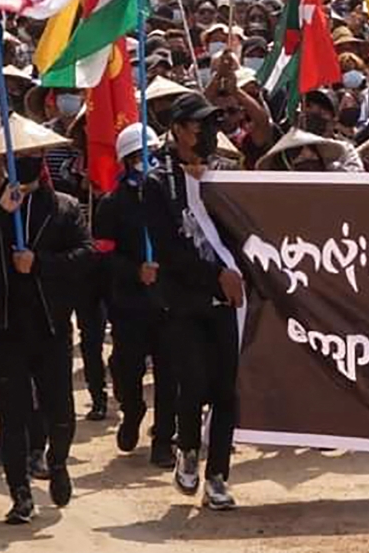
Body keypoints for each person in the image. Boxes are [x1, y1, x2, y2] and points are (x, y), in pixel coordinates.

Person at [0, 114, 92, 524]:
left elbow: (85, 256)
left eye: (33, 155)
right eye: (19, 156)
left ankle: (58, 460)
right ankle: (19, 493)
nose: (27, 162)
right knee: (12, 414)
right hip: (5, 326)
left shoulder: (64, 207)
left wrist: (40, 264)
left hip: (49, 325)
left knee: (60, 410)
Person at [149, 93, 247, 510]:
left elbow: (244, 230)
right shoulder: (158, 183)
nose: (206, 132)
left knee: (226, 391)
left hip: (226, 303)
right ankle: (188, 448)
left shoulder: (225, 176)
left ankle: (218, 476)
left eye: (211, 124)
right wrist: (214, 276)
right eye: (197, 125)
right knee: (192, 384)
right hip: (184, 301)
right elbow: (170, 251)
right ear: (177, 130)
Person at [95, 123, 178, 469]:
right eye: (140, 157)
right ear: (126, 162)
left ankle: (163, 439)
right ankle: (132, 411)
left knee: (170, 373)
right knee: (127, 370)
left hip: (168, 301)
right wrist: (134, 271)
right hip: (129, 305)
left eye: (153, 155)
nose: (149, 163)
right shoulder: (111, 204)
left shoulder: (171, 197)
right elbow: (102, 254)